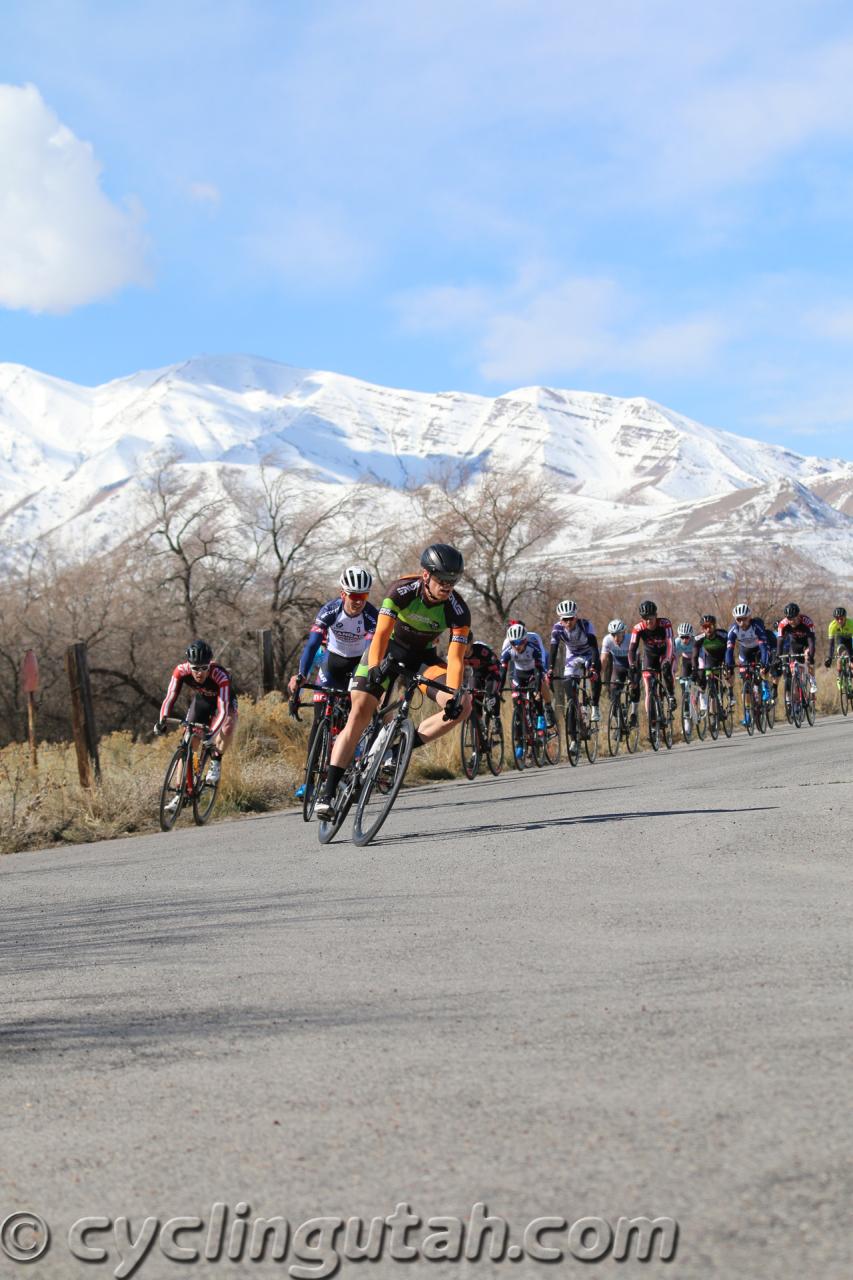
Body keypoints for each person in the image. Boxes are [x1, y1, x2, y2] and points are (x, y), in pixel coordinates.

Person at [313, 544, 472, 820]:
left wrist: (454, 693)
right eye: (442, 579)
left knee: (462, 705)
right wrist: (374, 668)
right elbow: (381, 634)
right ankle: (326, 793)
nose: (447, 586)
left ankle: (397, 750)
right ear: (426, 575)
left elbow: (455, 659)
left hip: (423, 659)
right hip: (387, 651)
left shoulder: (458, 610)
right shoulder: (402, 590)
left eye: (452, 581)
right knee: (360, 712)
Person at [288, 567, 379, 798]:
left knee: (353, 721)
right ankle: (309, 782)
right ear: (343, 594)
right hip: (331, 665)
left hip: (358, 665)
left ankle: (352, 765)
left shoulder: (370, 615)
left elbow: (370, 650)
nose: (359, 601)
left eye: (364, 596)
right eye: (354, 596)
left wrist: (364, 677)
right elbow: (311, 646)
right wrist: (300, 677)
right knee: (320, 721)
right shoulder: (329, 610)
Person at [154, 639, 237, 796]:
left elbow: (224, 710)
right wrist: (162, 719)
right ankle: (181, 790)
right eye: (195, 668)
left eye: (204, 668)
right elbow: (170, 696)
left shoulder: (220, 676)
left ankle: (216, 760)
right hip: (203, 701)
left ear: (209, 665)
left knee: (228, 725)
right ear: (188, 665)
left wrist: (211, 734)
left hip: (224, 701)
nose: (199, 672)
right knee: (188, 741)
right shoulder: (180, 671)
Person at [548, 599, 602, 723]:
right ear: (560, 619)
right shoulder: (557, 629)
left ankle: (595, 706)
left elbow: (594, 648)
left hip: (588, 653)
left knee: (595, 674)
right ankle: (575, 710)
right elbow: (553, 649)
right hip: (572, 655)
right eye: (565, 619)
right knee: (568, 684)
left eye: (571, 618)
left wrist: (593, 668)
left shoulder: (586, 625)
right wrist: (550, 668)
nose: (568, 622)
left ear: (576, 617)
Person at [499, 621, 556, 727]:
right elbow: (503, 668)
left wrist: (540, 680)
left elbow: (541, 657)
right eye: (513, 643)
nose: (517, 645)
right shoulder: (507, 643)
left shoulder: (534, 639)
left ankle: (545, 710)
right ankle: (521, 726)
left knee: (537, 689)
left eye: (520, 642)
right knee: (516, 697)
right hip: (518, 671)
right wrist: (499, 689)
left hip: (534, 668)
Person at [628, 600, 676, 715]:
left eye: (651, 617)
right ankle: (652, 722)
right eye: (645, 618)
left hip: (665, 652)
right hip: (650, 655)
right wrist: (632, 664)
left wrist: (668, 660)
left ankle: (671, 696)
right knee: (649, 687)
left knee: (665, 669)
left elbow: (670, 643)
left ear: (656, 615)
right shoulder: (638, 628)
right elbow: (631, 649)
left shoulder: (665, 624)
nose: (648, 621)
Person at [725, 603, 769, 723]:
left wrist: (764, 664)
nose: (742, 622)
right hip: (745, 652)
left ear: (749, 617)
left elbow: (764, 648)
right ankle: (748, 713)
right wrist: (729, 666)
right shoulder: (734, 629)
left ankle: (765, 685)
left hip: (759, 650)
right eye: (739, 619)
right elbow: (729, 650)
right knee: (746, 685)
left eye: (744, 619)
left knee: (763, 668)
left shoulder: (756, 626)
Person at [776, 602, 817, 701]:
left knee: (808, 658)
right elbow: (780, 641)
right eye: (789, 619)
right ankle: (798, 697)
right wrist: (778, 656)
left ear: (798, 615)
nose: (791, 621)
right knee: (794, 670)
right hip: (795, 643)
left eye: (793, 618)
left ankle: (812, 682)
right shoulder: (783, 624)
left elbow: (811, 642)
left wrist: (810, 655)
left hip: (807, 642)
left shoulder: (807, 622)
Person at [693, 614, 728, 710]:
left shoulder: (723, 635)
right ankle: (713, 713)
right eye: (705, 627)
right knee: (713, 684)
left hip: (723, 656)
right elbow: (695, 656)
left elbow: (729, 650)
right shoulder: (699, 638)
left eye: (710, 626)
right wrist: (695, 670)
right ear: (702, 628)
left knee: (728, 672)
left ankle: (730, 693)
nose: (708, 629)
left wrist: (727, 664)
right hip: (711, 659)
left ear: (715, 626)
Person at [825, 606, 853, 680]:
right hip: (841, 640)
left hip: (850, 641)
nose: (839, 621)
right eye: (837, 618)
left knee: (852, 662)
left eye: (841, 618)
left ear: (845, 618)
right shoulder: (832, 626)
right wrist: (829, 657)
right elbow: (831, 644)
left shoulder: (851, 624)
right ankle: (839, 676)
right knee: (840, 655)